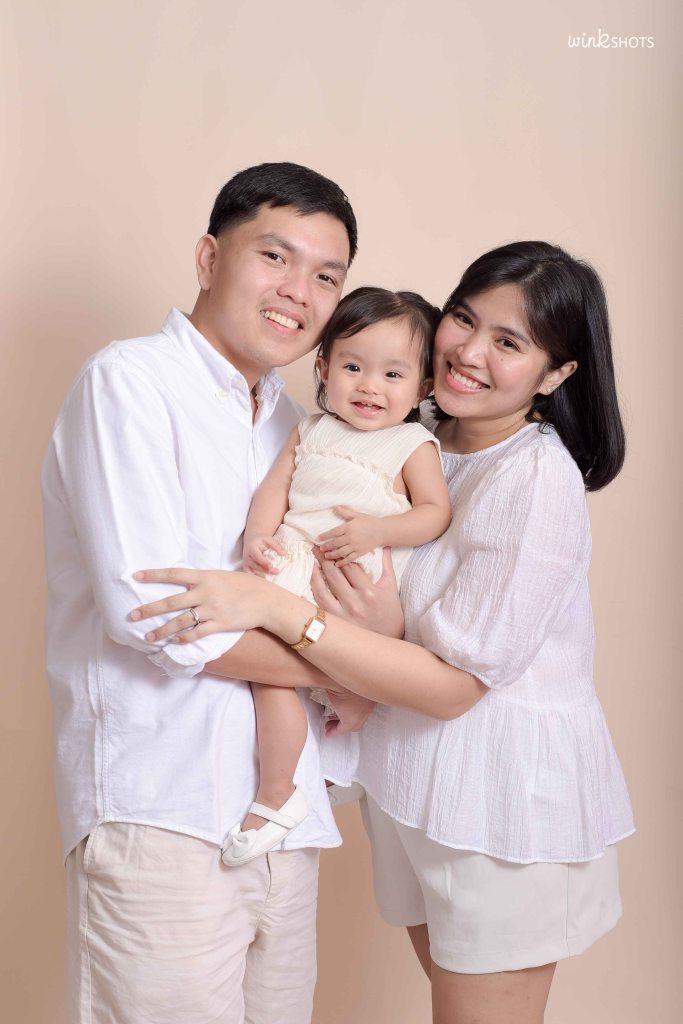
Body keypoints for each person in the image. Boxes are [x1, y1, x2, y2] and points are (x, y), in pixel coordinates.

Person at [132, 241, 636, 1024]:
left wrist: (279, 611)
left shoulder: (533, 481)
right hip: (412, 790)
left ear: (555, 373)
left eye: (508, 342)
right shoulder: (413, 431)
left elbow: (455, 686)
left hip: (497, 803)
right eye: (464, 318)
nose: (468, 351)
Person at [41, 161, 359, 1024]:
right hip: (161, 812)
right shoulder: (130, 381)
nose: (298, 292)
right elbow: (161, 621)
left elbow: (342, 599)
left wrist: (335, 648)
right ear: (209, 258)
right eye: (275, 257)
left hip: (286, 821)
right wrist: (348, 669)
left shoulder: (298, 424)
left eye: (325, 277)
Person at [223, 286, 451, 865]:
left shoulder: (412, 444)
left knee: (342, 671)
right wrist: (258, 537)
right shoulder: (311, 428)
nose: (370, 386)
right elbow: (274, 488)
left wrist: (379, 530)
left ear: (424, 387)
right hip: (295, 560)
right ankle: (280, 792)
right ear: (323, 368)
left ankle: (326, 754)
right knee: (270, 676)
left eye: (393, 374)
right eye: (353, 367)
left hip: (354, 577)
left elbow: (434, 513)